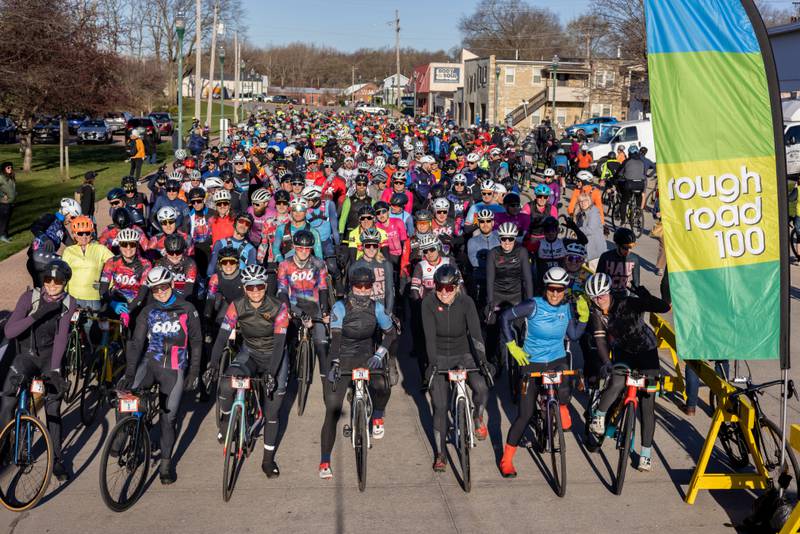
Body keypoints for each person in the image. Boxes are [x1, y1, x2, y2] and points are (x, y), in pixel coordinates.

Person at [499, 267, 589, 477]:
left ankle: (563, 406)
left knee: (566, 376)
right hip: (532, 361)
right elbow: (505, 317)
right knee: (524, 415)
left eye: (560, 289)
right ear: (545, 288)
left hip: (556, 358)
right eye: (551, 289)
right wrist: (512, 345)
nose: (555, 294)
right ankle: (506, 460)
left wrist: (583, 318)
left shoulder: (566, 308)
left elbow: (574, 336)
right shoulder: (532, 305)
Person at [121, 266, 202, 484]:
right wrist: (130, 371)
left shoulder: (187, 308)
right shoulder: (148, 311)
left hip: (174, 368)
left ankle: (166, 465)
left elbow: (196, 342)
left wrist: (194, 372)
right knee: (126, 397)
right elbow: (138, 342)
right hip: (151, 362)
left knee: (168, 419)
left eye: (164, 287)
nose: (160, 292)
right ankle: (125, 437)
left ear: (172, 285)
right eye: (155, 290)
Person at [208, 265, 290, 478]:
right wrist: (213, 363)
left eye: (260, 286)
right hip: (250, 353)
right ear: (244, 288)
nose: (255, 291)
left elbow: (280, 345)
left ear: (266, 286)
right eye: (250, 287)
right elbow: (222, 336)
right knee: (227, 382)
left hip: (275, 357)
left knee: (272, 413)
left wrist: (271, 373)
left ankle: (267, 460)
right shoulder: (236, 306)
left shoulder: (279, 307)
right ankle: (227, 422)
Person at [585, 273, 671, 472]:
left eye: (603, 295)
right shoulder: (596, 314)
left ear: (609, 292)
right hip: (624, 353)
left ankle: (646, 454)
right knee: (616, 381)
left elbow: (664, 308)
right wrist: (607, 362)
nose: (601, 301)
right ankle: (599, 417)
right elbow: (599, 340)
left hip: (646, 353)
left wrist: (644, 295)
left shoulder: (628, 303)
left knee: (647, 404)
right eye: (596, 298)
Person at [1, 260, 77, 481]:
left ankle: (57, 460)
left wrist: (54, 369)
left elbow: (62, 336)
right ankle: (5, 446)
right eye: (48, 279)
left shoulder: (68, 302)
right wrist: (37, 314)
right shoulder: (30, 298)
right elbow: (10, 330)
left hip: (49, 358)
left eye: (58, 281)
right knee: (7, 401)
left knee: (53, 409)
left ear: (65, 283)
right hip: (26, 356)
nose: (52, 285)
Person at [319, 267, 397, 479]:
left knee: (383, 385)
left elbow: (390, 334)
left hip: (366, 355)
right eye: (358, 286)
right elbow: (335, 339)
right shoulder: (340, 307)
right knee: (333, 410)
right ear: (351, 287)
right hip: (342, 355)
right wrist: (334, 362)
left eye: (367, 286)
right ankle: (325, 459)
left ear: (372, 288)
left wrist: (380, 354)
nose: (363, 290)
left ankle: (378, 415)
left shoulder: (377, 308)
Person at [422, 265, 494, 471]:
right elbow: (429, 339)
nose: (444, 293)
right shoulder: (428, 303)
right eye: (439, 287)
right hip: (439, 356)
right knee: (440, 406)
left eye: (449, 288)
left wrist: (483, 361)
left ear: (457, 287)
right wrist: (432, 365)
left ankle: (477, 416)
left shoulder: (466, 302)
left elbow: (476, 335)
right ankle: (440, 454)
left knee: (481, 387)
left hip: (463, 354)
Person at [597, 228, 641, 296]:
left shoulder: (634, 259)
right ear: (617, 245)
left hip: (623, 295)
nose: (628, 251)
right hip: (607, 295)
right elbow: (598, 278)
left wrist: (631, 298)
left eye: (630, 247)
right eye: (625, 248)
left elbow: (636, 283)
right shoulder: (606, 257)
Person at [573, 193, 607, 269]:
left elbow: (590, 230)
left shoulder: (594, 211)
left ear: (589, 201)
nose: (583, 203)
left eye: (585, 201)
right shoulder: (580, 214)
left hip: (595, 251)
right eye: (580, 202)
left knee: (594, 275)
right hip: (585, 251)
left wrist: (576, 229)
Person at [0, 161, 17, 242]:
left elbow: (12, 188)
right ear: (4, 169)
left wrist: (15, 193)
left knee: (7, 220)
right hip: (4, 203)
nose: (10, 169)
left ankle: (5, 234)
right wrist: (2, 195)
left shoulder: (11, 177)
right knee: (4, 220)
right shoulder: (1, 177)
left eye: (11, 167)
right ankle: (2, 235)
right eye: (8, 167)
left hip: (11, 202)